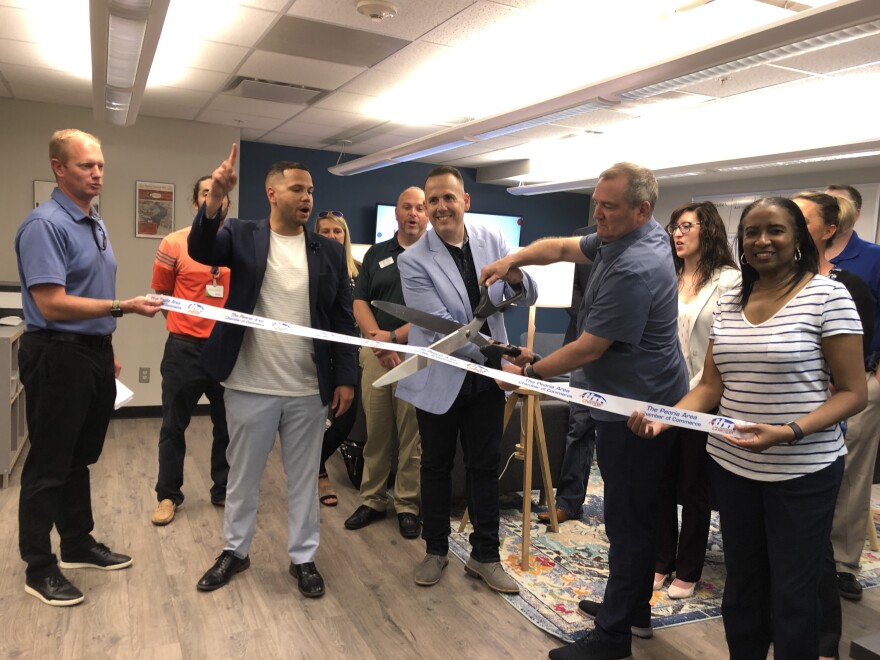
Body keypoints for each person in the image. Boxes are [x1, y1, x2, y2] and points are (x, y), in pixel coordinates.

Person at [629, 197, 867, 659]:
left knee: (794, 594)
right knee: (743, 587)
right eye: (752, 232)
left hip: (803, 470)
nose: (761, 241)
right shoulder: (733, 300)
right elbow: (712, 384)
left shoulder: (828, 296)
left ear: (798, 236)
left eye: (775, 230)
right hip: (732, 465)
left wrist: (789, 431)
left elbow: (852, 393)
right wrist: (668, 417)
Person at [482, 162, 688, 660]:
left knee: (627, 519)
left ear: (642, 210)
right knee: (638, 513)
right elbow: (560, 248)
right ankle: (631, 608)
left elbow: (590, 348)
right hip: (630, 396)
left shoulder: (637, 264)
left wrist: (533, 372)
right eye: (596, 202)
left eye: (609, 206)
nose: (598, 214)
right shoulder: (624, 234)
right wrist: (514, 258)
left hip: (637, 412)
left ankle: (614, 638)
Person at [189, 145, 357, 599]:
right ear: (271, 192)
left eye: (311, 190)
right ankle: (235, 551)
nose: (307, 197)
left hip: (307, 387)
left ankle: (303, 557)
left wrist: (345, 378)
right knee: (242, 475)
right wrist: (214, 200)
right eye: (297, 188)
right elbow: (202, 248)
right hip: (248, 382)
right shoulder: (241, 234)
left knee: (303, 477)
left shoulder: (327, 250)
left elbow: (342, 318)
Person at [14, 128, 162, 606]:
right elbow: (53, 304)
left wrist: (106, 342)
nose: (97, 173)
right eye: (86, 165)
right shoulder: (44, 225)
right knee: (49, 463)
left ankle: (77, 543)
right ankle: (38, 567)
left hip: (91, 352)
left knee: (79, 456)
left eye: (100, 164)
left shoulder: (93, 220)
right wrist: (121, 308)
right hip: (56, 353)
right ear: (59, 168)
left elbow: (86, 288)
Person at [395, 165, 536, 594]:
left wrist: (514, 274)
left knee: (484, 465)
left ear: (465, 202)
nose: (440, 207)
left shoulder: (493, 241)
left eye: (447, 198)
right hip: (441, 377)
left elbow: (526, 293)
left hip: (484, 384)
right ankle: (436, 550)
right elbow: (447, 330)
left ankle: (485, 556)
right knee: (437, 466)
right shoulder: (413, 260)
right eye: (432, 200)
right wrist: (502, 358)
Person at [793, 191, 874, 660]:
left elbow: (845, 377)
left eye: (801, 220)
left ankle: (824, 645)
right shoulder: (761, 285)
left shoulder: (846, 288)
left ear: (829, 230)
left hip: (816, 432)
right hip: (760, 436)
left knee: (814, 546)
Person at [654, 201, 740, 600]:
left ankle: (687, 567)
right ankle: (660, 559)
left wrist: (697, 390)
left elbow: (725, 346)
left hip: (705, 399)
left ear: (708, 231)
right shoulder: (667, 276)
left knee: (694, 487)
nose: (677, 233)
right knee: (660, 483)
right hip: (663, 395)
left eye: (686, 226)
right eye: (675, 226)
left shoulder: (730, 282)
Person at [344, 187, 427, 538]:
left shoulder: (437, 257)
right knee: (376, 430)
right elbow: (360, 300)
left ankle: (408, 504)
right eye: (407, 207)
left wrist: (395, 339)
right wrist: (379, 339)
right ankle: (373, 498)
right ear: (396, 213)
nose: (414, 213)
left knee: (412, 436)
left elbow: (432, 314)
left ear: (426, 215)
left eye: (420, 208)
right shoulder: (377, 254)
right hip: (377, 351)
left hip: (417, 354)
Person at [149, 175, 231, 526]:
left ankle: (223, 490)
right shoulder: (174, 243)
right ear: (197, 203)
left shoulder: (236, 243)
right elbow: (161, 295)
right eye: (206, 193)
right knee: (173, 426)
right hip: (184, 349)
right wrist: (188, 325)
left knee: (228, 426)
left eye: (220, 193)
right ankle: (168, 496)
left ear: (225, 202)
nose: (214, 198)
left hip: (226, 351)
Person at [824, 184, 880, 602]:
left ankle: (842, 563)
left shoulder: (873, 260)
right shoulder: (795, 260)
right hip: (807, 384)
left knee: (852, 474)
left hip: (860, 380)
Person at [537, 225, 596, 525]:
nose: (602, 209)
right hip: (582, 345)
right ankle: (568, 502)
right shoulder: (583, 238)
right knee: (579, 425)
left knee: (620, 435)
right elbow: (569, 293)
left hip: (626, 356)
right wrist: (600, 318)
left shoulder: (644, 245)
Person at [313, 210, 360, 507]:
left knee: (345, 419)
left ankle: (314, 462)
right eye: (325, 231)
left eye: (337, 231)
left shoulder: (359, 269)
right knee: (316, 419)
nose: (332, 236)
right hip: (318, 353)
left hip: (351, 355)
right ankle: (318, 474)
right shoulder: (311, 268)